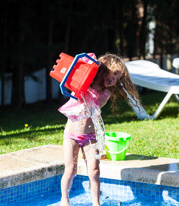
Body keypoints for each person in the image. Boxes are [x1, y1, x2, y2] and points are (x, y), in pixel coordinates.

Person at [59, 53, 140, 206]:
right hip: (71, 135)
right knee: (70, 170)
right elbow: (76, 75)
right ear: (105, 68)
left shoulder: (105, 93)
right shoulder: (83, 82)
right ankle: (64, 200)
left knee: (95, 171)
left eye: (118, 78)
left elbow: (95, 106)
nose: (114, 80)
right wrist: (86, 78)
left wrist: (90, 89)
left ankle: (96, 203)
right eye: (114, 74)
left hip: (90, 136)